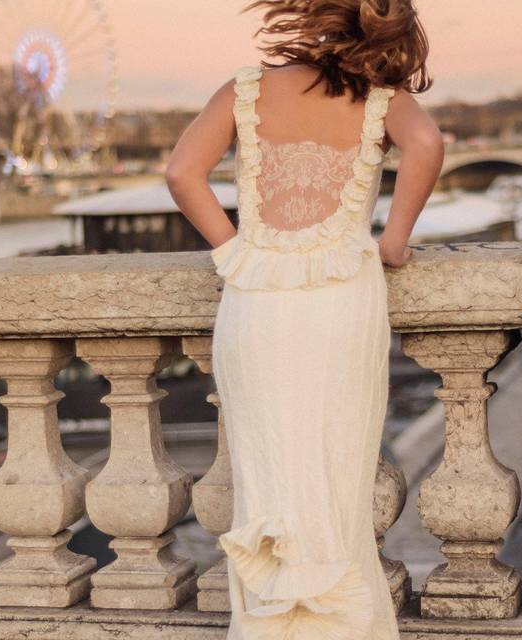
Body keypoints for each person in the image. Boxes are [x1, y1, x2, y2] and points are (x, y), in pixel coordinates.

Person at [166, 1, 442, 636]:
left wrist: (236, 248)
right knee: (333, 482)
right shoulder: (381, 97)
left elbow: (183, 173)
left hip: (256, 300)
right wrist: (394, 240)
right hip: (341, 298)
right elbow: (427, 144)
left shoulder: (246, 90)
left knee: (266, 481)